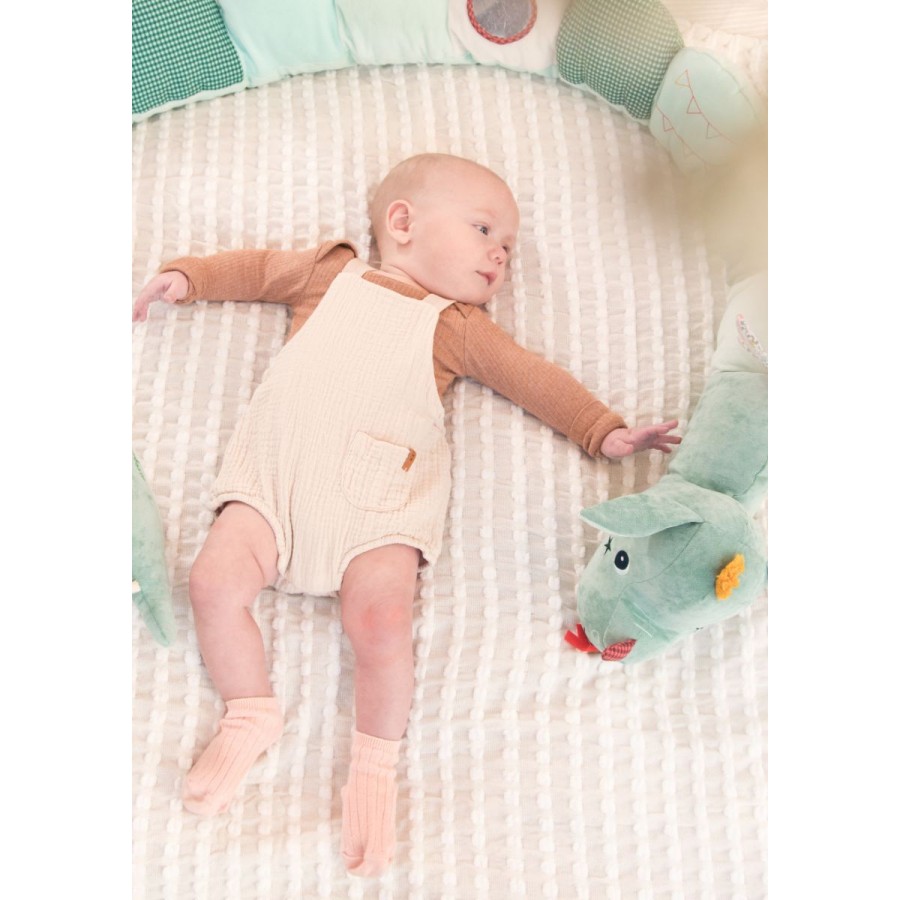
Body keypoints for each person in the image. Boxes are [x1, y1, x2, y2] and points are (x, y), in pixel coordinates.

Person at [132, 153, 680, 876]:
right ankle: (250, 709)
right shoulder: (329, 275)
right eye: (484, 230)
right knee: (211, 583)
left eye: (508, 246)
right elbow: (256, 270)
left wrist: (600, 430)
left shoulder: (457, 327)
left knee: (383, 622)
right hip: (276, 483)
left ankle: (373, 766)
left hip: (378, 507)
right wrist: (189, 277)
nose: (500, 254)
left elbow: (531, 377)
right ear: (402, 222)